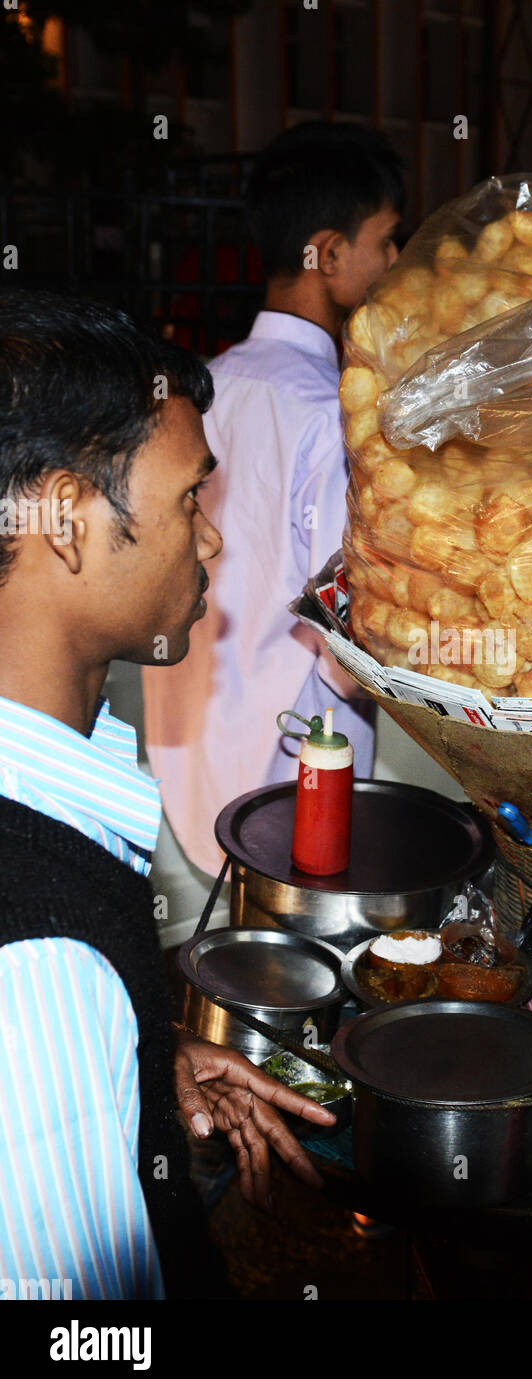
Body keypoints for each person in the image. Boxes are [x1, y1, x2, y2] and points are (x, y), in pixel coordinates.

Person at [0, 288, 337, 1300]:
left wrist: (133, 1058)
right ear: (66, 519)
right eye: (191, 497)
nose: (214, 540)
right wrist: (78, 1024)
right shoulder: (40, 960)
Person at [142, 121, 404, 876]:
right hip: (296, 792)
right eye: (384, 241)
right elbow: (351, 643)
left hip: (185, 782)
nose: (392, 261)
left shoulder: (201, 387)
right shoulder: (331, 415)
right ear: (325, 252)